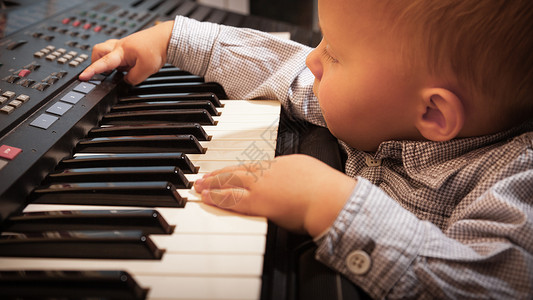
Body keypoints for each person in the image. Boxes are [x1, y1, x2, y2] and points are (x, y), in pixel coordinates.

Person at [79, 0, 533, 298]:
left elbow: (490, 286)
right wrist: (171, 38)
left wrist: (333, 204)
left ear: (434, 115)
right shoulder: (382, 103)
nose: (313, 58)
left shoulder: (514, 181)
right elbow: (287, 66)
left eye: (334, 53)